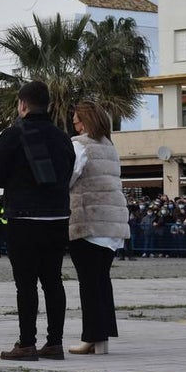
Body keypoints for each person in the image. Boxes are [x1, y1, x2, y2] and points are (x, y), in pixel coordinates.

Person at [0, 81, 75, 361]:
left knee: (26, 283)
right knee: (53, 280)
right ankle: (55, 342)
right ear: (47, 104)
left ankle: (26, 343)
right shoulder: (63, 138)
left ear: (22, 105)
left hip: (24, 217)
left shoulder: (13, 134)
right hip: (58, 217)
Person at [66, 101, 129, 355]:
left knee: (88, 283)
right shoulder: (110, 147)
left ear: (85, 122)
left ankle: (91, 336)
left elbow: (70, 177)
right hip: (112, 223)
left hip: (88, 219)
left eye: (76, 120)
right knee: (102, 281)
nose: (74, 123)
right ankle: (101, 336)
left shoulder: (79, 145)